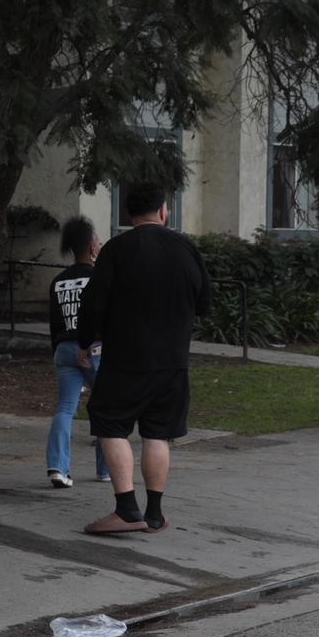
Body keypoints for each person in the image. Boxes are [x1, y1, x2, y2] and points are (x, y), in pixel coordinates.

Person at [75, 183, 210, 535]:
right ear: (164, 210)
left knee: (109, 422)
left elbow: (93, 304)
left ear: (127, 214)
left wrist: (85, 341)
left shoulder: (117, 249)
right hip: (173, 360)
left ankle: (126, 509)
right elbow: (206, 301)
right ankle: (154, 513)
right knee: (158, 433)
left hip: (126, 357)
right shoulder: (186, 248)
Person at [46, 217, 100, 488]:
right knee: (106, 406)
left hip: (64, 349)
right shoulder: (99, 278)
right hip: (94, 349)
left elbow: (54, 323)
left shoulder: (58, 281)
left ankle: (58, 467)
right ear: (92, 246)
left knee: (65, 408)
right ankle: (106, 468)